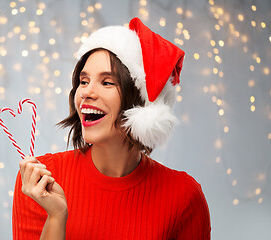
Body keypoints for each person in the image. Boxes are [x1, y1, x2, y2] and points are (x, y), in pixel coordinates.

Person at [13, 17, 211, 239]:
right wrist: (57, 216)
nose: (87, 92)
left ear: (141, 102)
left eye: (107, 82)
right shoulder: (39, 180)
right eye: (84, 81)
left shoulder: (184, 196)